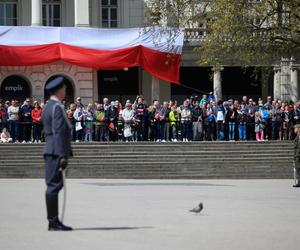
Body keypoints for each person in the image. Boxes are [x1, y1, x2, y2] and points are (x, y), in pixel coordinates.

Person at [42, 76, 73, 231]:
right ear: (59, 90)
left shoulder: (50, 106)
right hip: (55, 151)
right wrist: (62, 155)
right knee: (54, 185)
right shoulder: (56, 107)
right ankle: (53, 221)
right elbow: (59, 132)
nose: (65, 90)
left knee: (54, 184)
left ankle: (53, 220)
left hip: (52, 149)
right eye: (64, 88)